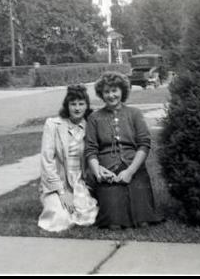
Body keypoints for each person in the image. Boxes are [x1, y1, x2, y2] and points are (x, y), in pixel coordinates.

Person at [85, 71, 161, 229]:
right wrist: (98, 172)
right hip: (108, 171)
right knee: (114, 223)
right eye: (106, 91)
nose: (111, 95)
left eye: (114, 90)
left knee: (143, 221)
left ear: (122, 91)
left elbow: (144, 144)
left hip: (134, 168)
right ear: (101, 94)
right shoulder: (94, 118)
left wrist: (130, 171)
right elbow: (90, 150)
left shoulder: (134, 114)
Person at [37, 84, 99, 232]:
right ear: (67, 105)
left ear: (87, 105)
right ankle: (55, 202)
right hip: (58, 182)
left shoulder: (91, 126)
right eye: (73, 104)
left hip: (79, 181)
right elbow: (47, 161)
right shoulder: (53, 125)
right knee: (60, 219)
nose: (77, 108)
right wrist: (62, 192)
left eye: (81, 104)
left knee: (87, 216)